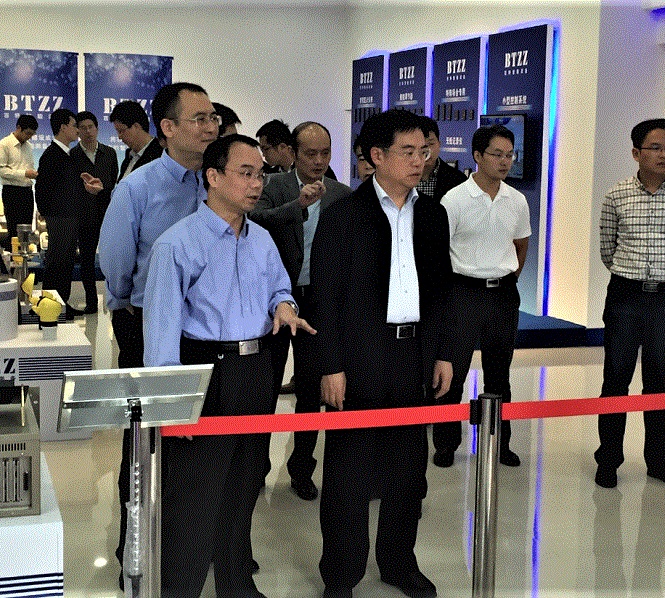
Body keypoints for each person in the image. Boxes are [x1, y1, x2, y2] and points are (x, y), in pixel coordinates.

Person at [144, 134, 314, 597]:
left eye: (261, 175)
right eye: (246, 173)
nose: (257, 184)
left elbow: (280, 287)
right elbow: (161, 332)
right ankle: (180, 588)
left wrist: (283, 305)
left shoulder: (262, 239)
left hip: (256, 369)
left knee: (244, 484)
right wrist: (172, 405)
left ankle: (237, 584)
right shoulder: (177, 244)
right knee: (195, 495)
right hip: (207, 371)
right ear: (213, 177)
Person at [312, 109, 453, 598]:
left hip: (414, 354)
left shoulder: (432, 215)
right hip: (359, 357)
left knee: (408, 473)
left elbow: (442, 291)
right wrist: (330, 365)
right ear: (377, 156)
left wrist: (444, 353)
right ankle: (341, 574)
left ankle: (398, 563)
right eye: (407, 152)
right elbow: (324, 297)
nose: (420, 161)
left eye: (424, 151)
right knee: (349, 475)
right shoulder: (343, 216)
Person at [98, 82, 219, 581]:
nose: (210, 127)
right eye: (199, 118)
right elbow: (115, 263)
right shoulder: (138, 188)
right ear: (167, 127)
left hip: (207, 332)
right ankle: (135, 556)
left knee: (201, 447)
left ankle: (195, 551)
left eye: (213, 118)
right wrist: (132, 310)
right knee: (145, 448)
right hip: (146, 325)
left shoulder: (217, 182)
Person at [594, 118, 665, 490]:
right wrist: (633, 275)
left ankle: (659, 461)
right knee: (616, 379)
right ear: (636, 153)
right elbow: (608, 250)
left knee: (658, 380)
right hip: (625, 296)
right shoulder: (617, 195)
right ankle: (608, 460)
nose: (664, 154)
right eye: (655, 148)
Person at [250, 121, 351, 501]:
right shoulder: (273, 186)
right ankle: (255, 469)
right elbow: (255, 221)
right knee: (264, 391)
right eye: (311, 153)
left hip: (319, 304)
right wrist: (298, 205)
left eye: (325, 153)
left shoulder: (341, 194)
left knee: (310, 393)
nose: (319, 161)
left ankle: (302, 470)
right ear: (293, 153)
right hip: (274, 302)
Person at [433, 124, 531, 469]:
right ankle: (446, 444)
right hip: (462, 293)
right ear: (477, 156)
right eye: (497, 154)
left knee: (499, 375)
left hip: (502, 295)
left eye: (510, 155)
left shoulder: (516, 200)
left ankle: (500, 444)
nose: (505, 161)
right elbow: (440, 252)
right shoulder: (455, 199)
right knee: (451, 374)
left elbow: (521, 245)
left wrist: (507, 278)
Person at [36, 108, 103, 320]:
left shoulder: (65, 154)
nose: (78, 130)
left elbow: (64, 187)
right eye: (75, 126)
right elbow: (42, 188)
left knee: (64, 263)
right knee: (57, 263)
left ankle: (61, 304)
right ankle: (50, 307)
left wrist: (84, 185)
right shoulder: (52, 155)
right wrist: (49, 214)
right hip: (61, 218)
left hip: (68, 217)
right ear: (63, 127)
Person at [70, 111, 118, 314]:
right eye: (83, 128)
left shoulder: (110, 153)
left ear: (97, 129)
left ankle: (116, 300)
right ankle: (91, 302)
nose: (88, 131)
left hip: (107, 213)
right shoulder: (72, 155)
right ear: (77, 131)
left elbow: (113, 182)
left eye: (91, 127)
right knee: (87, 261)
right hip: (84, 215)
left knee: (113, 259)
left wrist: (102, 189)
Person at [0, 114, 38, 250]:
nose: (29, 137)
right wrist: (24, 173)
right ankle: (14, 259)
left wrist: (34, 174)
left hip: (27, 191)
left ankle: (25, 256)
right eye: (28, 133)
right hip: (12, 192)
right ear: (19, 128)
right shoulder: (4, 144)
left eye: (32, 134)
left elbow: (28, 168)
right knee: (14, 231)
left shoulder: (29, 146)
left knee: (27, 230)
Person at [109, 100, 163, 182]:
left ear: (136, 126)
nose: (119, 137)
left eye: (121, 131)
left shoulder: (160, 156)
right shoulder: (129, 156)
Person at [417, 116, 467, 202]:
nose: (426, 150)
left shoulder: (458, 179)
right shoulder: (398, 178)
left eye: (431, 144)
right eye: (421, 145)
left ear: (439, 144)